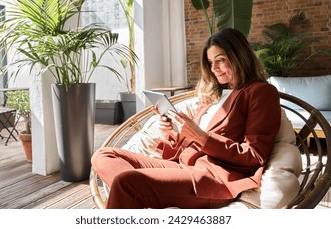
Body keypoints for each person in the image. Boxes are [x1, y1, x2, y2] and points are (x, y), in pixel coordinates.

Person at [91, 27, 281, 209]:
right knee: (104, 155)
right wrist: (173, 132)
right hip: (183, 165)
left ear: (239, 56)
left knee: (126, 182)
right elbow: (193, 144)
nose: (214, 68)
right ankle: (142, 195)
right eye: (209, 62)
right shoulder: (214, 95)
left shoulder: (261, 92)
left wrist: (202, 137)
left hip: (213, 177)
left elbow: (254, 157)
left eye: (220, 60)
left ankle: (138, 194)